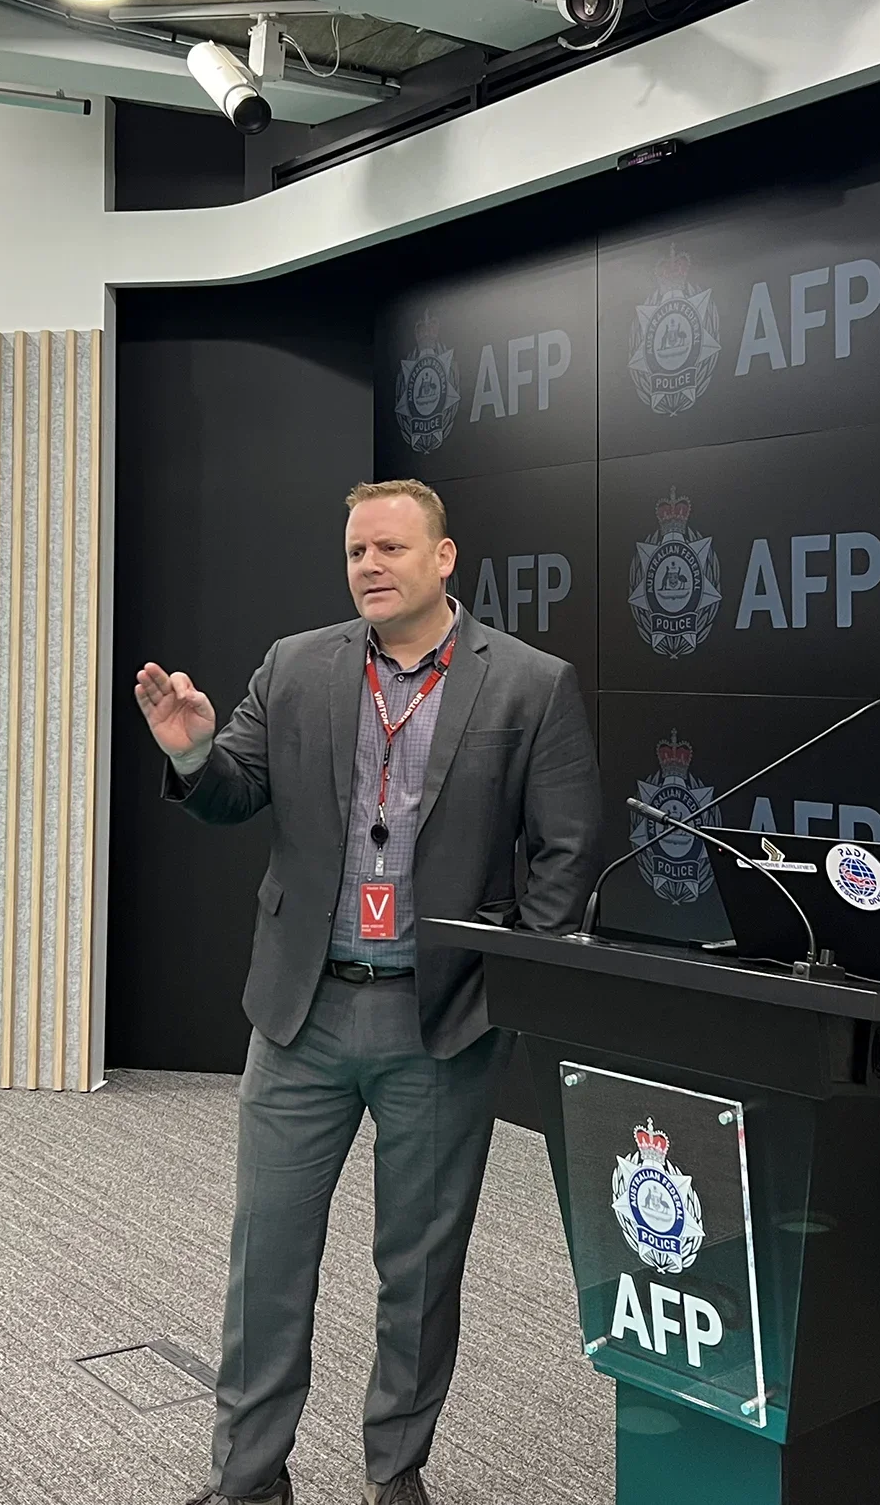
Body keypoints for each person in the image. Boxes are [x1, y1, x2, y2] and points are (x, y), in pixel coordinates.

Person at [135, 477, 606, 1505]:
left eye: (390, 548)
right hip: (299, 1015)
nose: (369, 568)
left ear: (443, 559)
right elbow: (230, 795)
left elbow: (565, 857)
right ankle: (247, 1479)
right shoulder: (295, 668)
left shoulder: (529, 683)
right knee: (266, 1262)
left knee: (420, 1274)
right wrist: (190, 752)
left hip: (439, 1024)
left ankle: (395, 1475)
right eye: (356, 552)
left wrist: (499, 986)